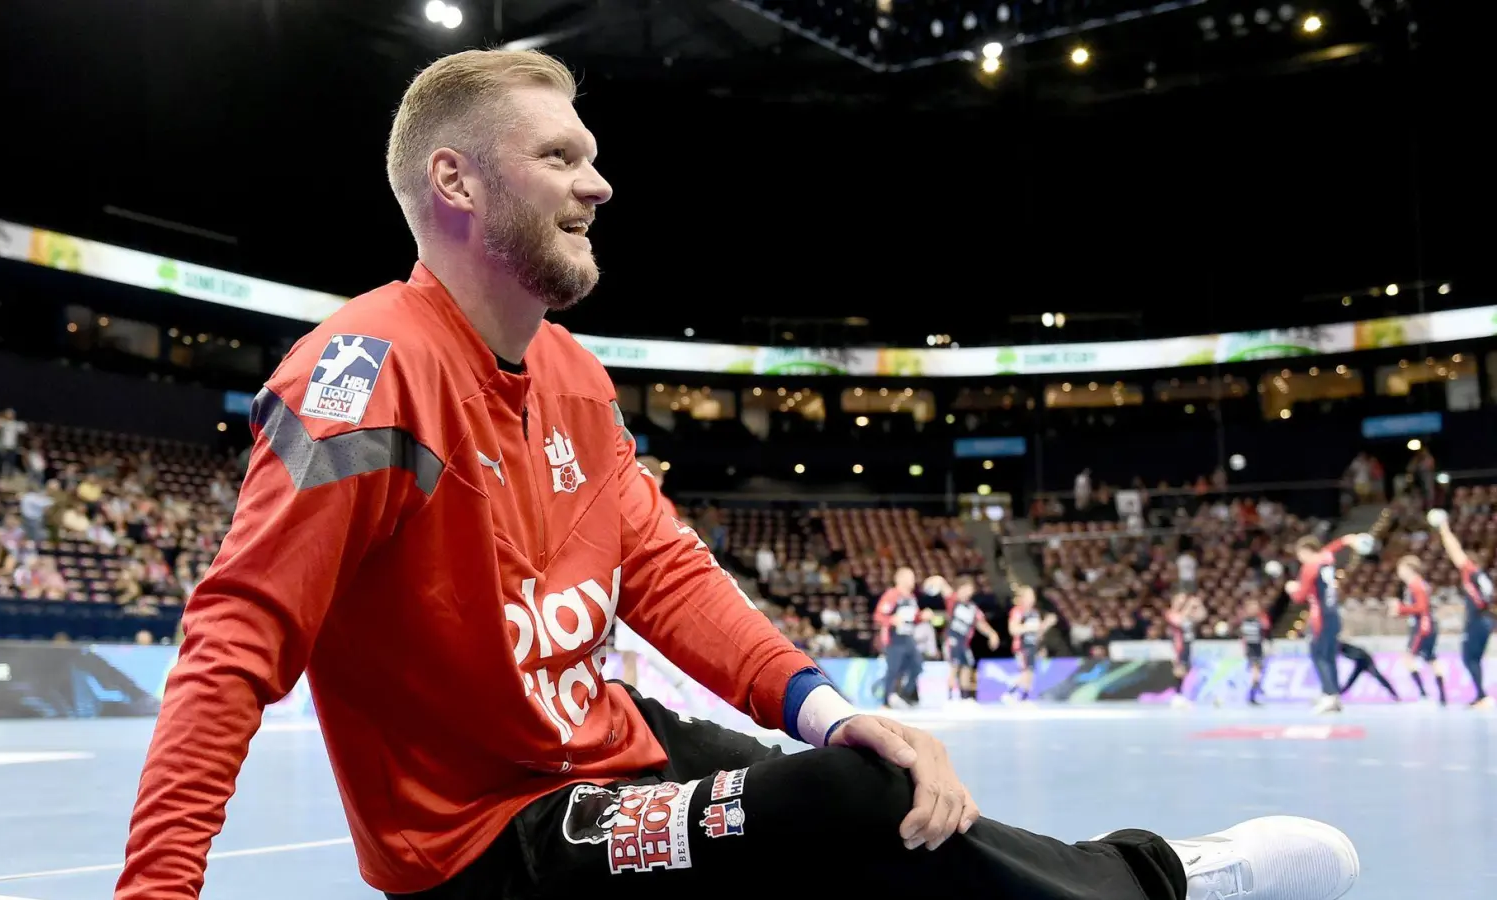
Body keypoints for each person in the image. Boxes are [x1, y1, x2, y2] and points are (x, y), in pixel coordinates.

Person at [112, 48, 1360, 900]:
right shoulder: (362, 372)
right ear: (457, 180)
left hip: (611, 749)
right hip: (493, 844)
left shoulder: (575, 380)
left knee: (866, 772)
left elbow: (662, 572)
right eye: (559, 156)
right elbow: (235, 641)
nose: (598, 181)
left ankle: (1150, 871)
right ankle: (1170, 880)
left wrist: (825, 706)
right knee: (846, 815)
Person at [611, 454, 700, 706]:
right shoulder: (652, 502)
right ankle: (679, 692)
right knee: (636, 654)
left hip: (639, 587)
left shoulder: (651, 503)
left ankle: (681, 690)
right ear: (656, 478)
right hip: (638, 586)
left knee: (637, 653)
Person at [1286, 533, 1368, 713]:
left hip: (1320, 618)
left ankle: (1329, 695)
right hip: (1333, 615)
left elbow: (1300, 597)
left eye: (1300, 555)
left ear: (1306, 551)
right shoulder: (1326, 559)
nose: (1300, 560)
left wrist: (1292, 589)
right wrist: (1347, 539)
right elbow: (1332, 548)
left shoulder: (1310, 566)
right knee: (1330, 657)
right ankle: (1333, 695)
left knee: (1319, 656)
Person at [1429, 511, 1495, 708]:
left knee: (1468, 658)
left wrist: (1444, 528)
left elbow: (1455, 551)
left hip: (1477, 621)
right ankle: (1481, 696)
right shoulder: (1483, 577)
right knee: (1473, 658)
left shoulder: (1471, 572)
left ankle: (1483, 697)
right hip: (1486, 620)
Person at [1391, 555, 1445, 705]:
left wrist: (1401, 609)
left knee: (1408, 658)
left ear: (1409, 569)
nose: (1399, 573)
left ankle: (1423, 694)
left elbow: (1421, 608)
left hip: (1422, 626)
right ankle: (1442, 697)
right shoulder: (1420, 584)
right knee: (1432, 659)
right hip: (1428, 624)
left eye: (1401, 569)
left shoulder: (1415, 585)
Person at [873, 567, 924, 707]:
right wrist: (891, 620)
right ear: (900, 579)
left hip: (909, 638)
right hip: (894, 639)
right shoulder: (892, 595)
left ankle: (905, 694)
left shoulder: (912, 598)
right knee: (893, 670)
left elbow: (914, 618)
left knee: (917, 666)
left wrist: (922, 617)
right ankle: (885, 701)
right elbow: (878, 616)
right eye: (910, 577)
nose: (913, 580)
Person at [944, 578, 999, 702]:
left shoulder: (972, 607)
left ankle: (965, 697)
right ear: (960, 588)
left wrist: (992, 634)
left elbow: (981, 623)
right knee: (954, 667)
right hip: (952, 640)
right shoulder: (953, 600)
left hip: (965, 643)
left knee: (967, 666)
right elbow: (943, 586)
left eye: (970, 590)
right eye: (966, 589)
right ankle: (950, 698)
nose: (968, 592)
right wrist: (935, 580)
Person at [1004, 584, 1054, 703]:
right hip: (1022, 646)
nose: (1032, 599)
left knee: (1030, 672)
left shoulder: (1035, 613)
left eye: (1033, 596)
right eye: (1029, 596)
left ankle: (1024, 698)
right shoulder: (1017, 611)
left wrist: (1046, 624)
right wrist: (1028, 627)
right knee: (1026, 672)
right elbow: (1013, 629)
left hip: (1032, 646)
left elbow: (1038, 632)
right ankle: (1010, 693)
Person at [1165, 592, 1204, 708]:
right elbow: (1180, 621)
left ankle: (1182, 695)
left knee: (1186, 669)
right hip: (1179, 645)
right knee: (1179, 669)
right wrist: (1188, 607)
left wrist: (1198, 604)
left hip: (1188, 644)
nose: (1182, 602)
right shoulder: (1171, 613)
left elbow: (1201, 616)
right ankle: (1177, 695)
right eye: (1179, 600)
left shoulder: (1188, 614)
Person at [1238, 598, 1271, 706]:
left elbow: (1266, 632)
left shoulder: (1260, 620)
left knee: (1259, 671)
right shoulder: (1244, 621)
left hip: (1259, 649)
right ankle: (1254, 691)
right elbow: (1243, 637)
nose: (1254, 609)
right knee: (1255, 672)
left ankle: (1255, 689)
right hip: (1251, 650)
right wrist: (1243, 648)